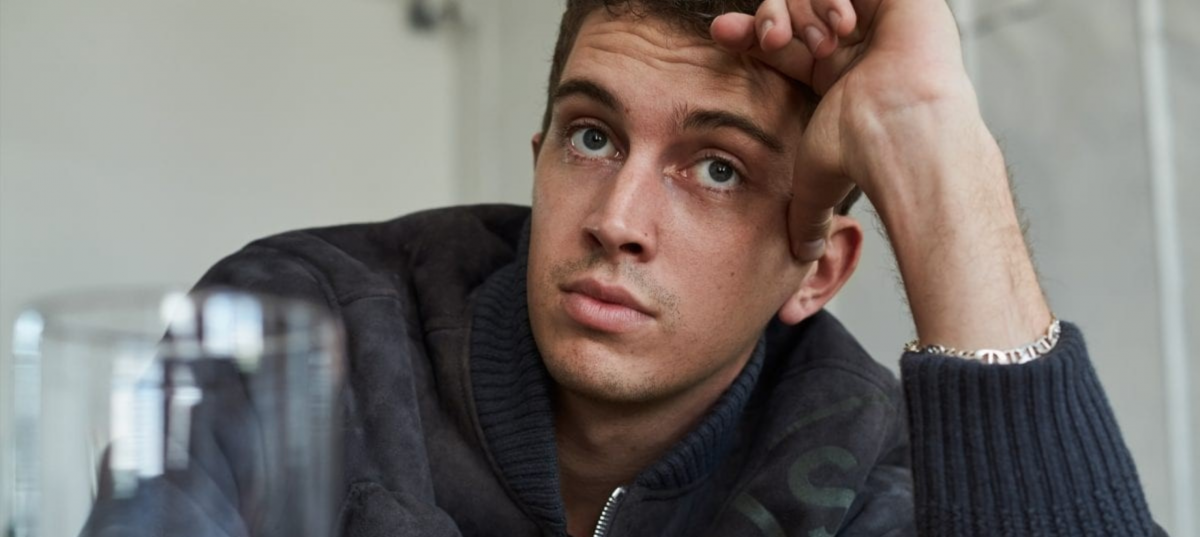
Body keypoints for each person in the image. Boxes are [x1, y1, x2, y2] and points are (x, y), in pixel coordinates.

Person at [84, 0, 1165, 535]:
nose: (618, 219)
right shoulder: (299, 329)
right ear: (540, 158)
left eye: (717, 168)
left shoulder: (878, 470)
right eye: (593, 137)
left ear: (818, 273)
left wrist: (930, 137)